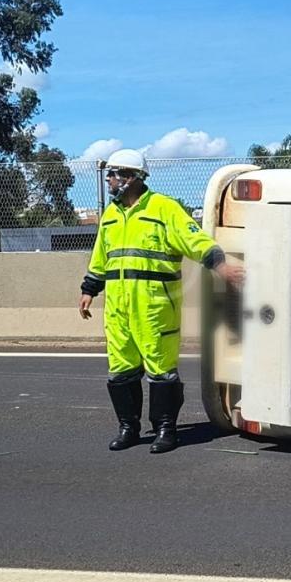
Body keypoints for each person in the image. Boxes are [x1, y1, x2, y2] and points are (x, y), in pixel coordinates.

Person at [78, 149, 245, 453]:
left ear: (132, 177)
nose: (110, 180)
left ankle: (165, 429)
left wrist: (219, 264)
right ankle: (128, 428)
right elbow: (101, 257)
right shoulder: (111, 216)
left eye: (114, 174)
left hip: (156, 308)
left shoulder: (164, 208)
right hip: (118, 309)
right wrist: (89, 289)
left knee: (161, 370)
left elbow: (193, 240)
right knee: (120, 369)